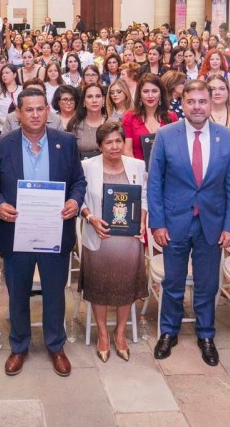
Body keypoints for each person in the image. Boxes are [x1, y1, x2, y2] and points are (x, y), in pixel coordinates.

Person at [0, 89, 87, 377]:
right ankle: (19, 346)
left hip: (55, 229)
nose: (35, 114)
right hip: (17, 232)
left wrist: (74, 201)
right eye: (29, 109)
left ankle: (56, 345)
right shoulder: (2, 144)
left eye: (40, 109)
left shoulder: (65, 142)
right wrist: (0, 204)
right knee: (18, 292)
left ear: (47, 111)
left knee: (55, 291)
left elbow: (78, 181)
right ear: (18, 113)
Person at [148, 81, 230, 367]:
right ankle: (169, 331)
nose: (197, 107)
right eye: (192, 101)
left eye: (202, 101)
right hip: (175, 221)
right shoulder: (165, 135)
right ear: (182, 104)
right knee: (173, 281)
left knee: (207, 283)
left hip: (211, 223)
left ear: (211, 103)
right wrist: (158, 223)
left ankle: (206, 334)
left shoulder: (226, 138)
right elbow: (154, 183)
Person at [79, 122, 147, 362]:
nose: (114, 146)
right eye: (108, 142)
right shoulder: (87, 167)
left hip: (129, 239)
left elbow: (145, 196)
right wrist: (90, 217)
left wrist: (142, 220)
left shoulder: (137, 165)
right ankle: (103, 334)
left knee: (125, 286)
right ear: (99, 146)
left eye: (118, 141)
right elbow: (78, 199)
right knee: (99, 287)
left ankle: (120, 333)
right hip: (99, 237)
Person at [123, 74, 178, 162]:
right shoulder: (130, 116)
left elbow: (176, 148)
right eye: (145, 91)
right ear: (139, 94)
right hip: (139, 172)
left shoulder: (171, 117)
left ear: (160, 93)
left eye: (154, 91)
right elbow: (127, 150)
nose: (150, 96)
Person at [68, 83, 107, 160]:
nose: (94, 100)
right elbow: (69, 154)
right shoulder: (75, 125)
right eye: (90, 97)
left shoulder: (112, 123)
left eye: (98, 96)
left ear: (103, 100)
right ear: (84, 102)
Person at [0, 64, 21, 136]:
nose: (4, 75)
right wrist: (8, 122)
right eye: (2, 73)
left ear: (15, 74)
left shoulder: (22, 89)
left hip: (19, 127)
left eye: (7, 73)